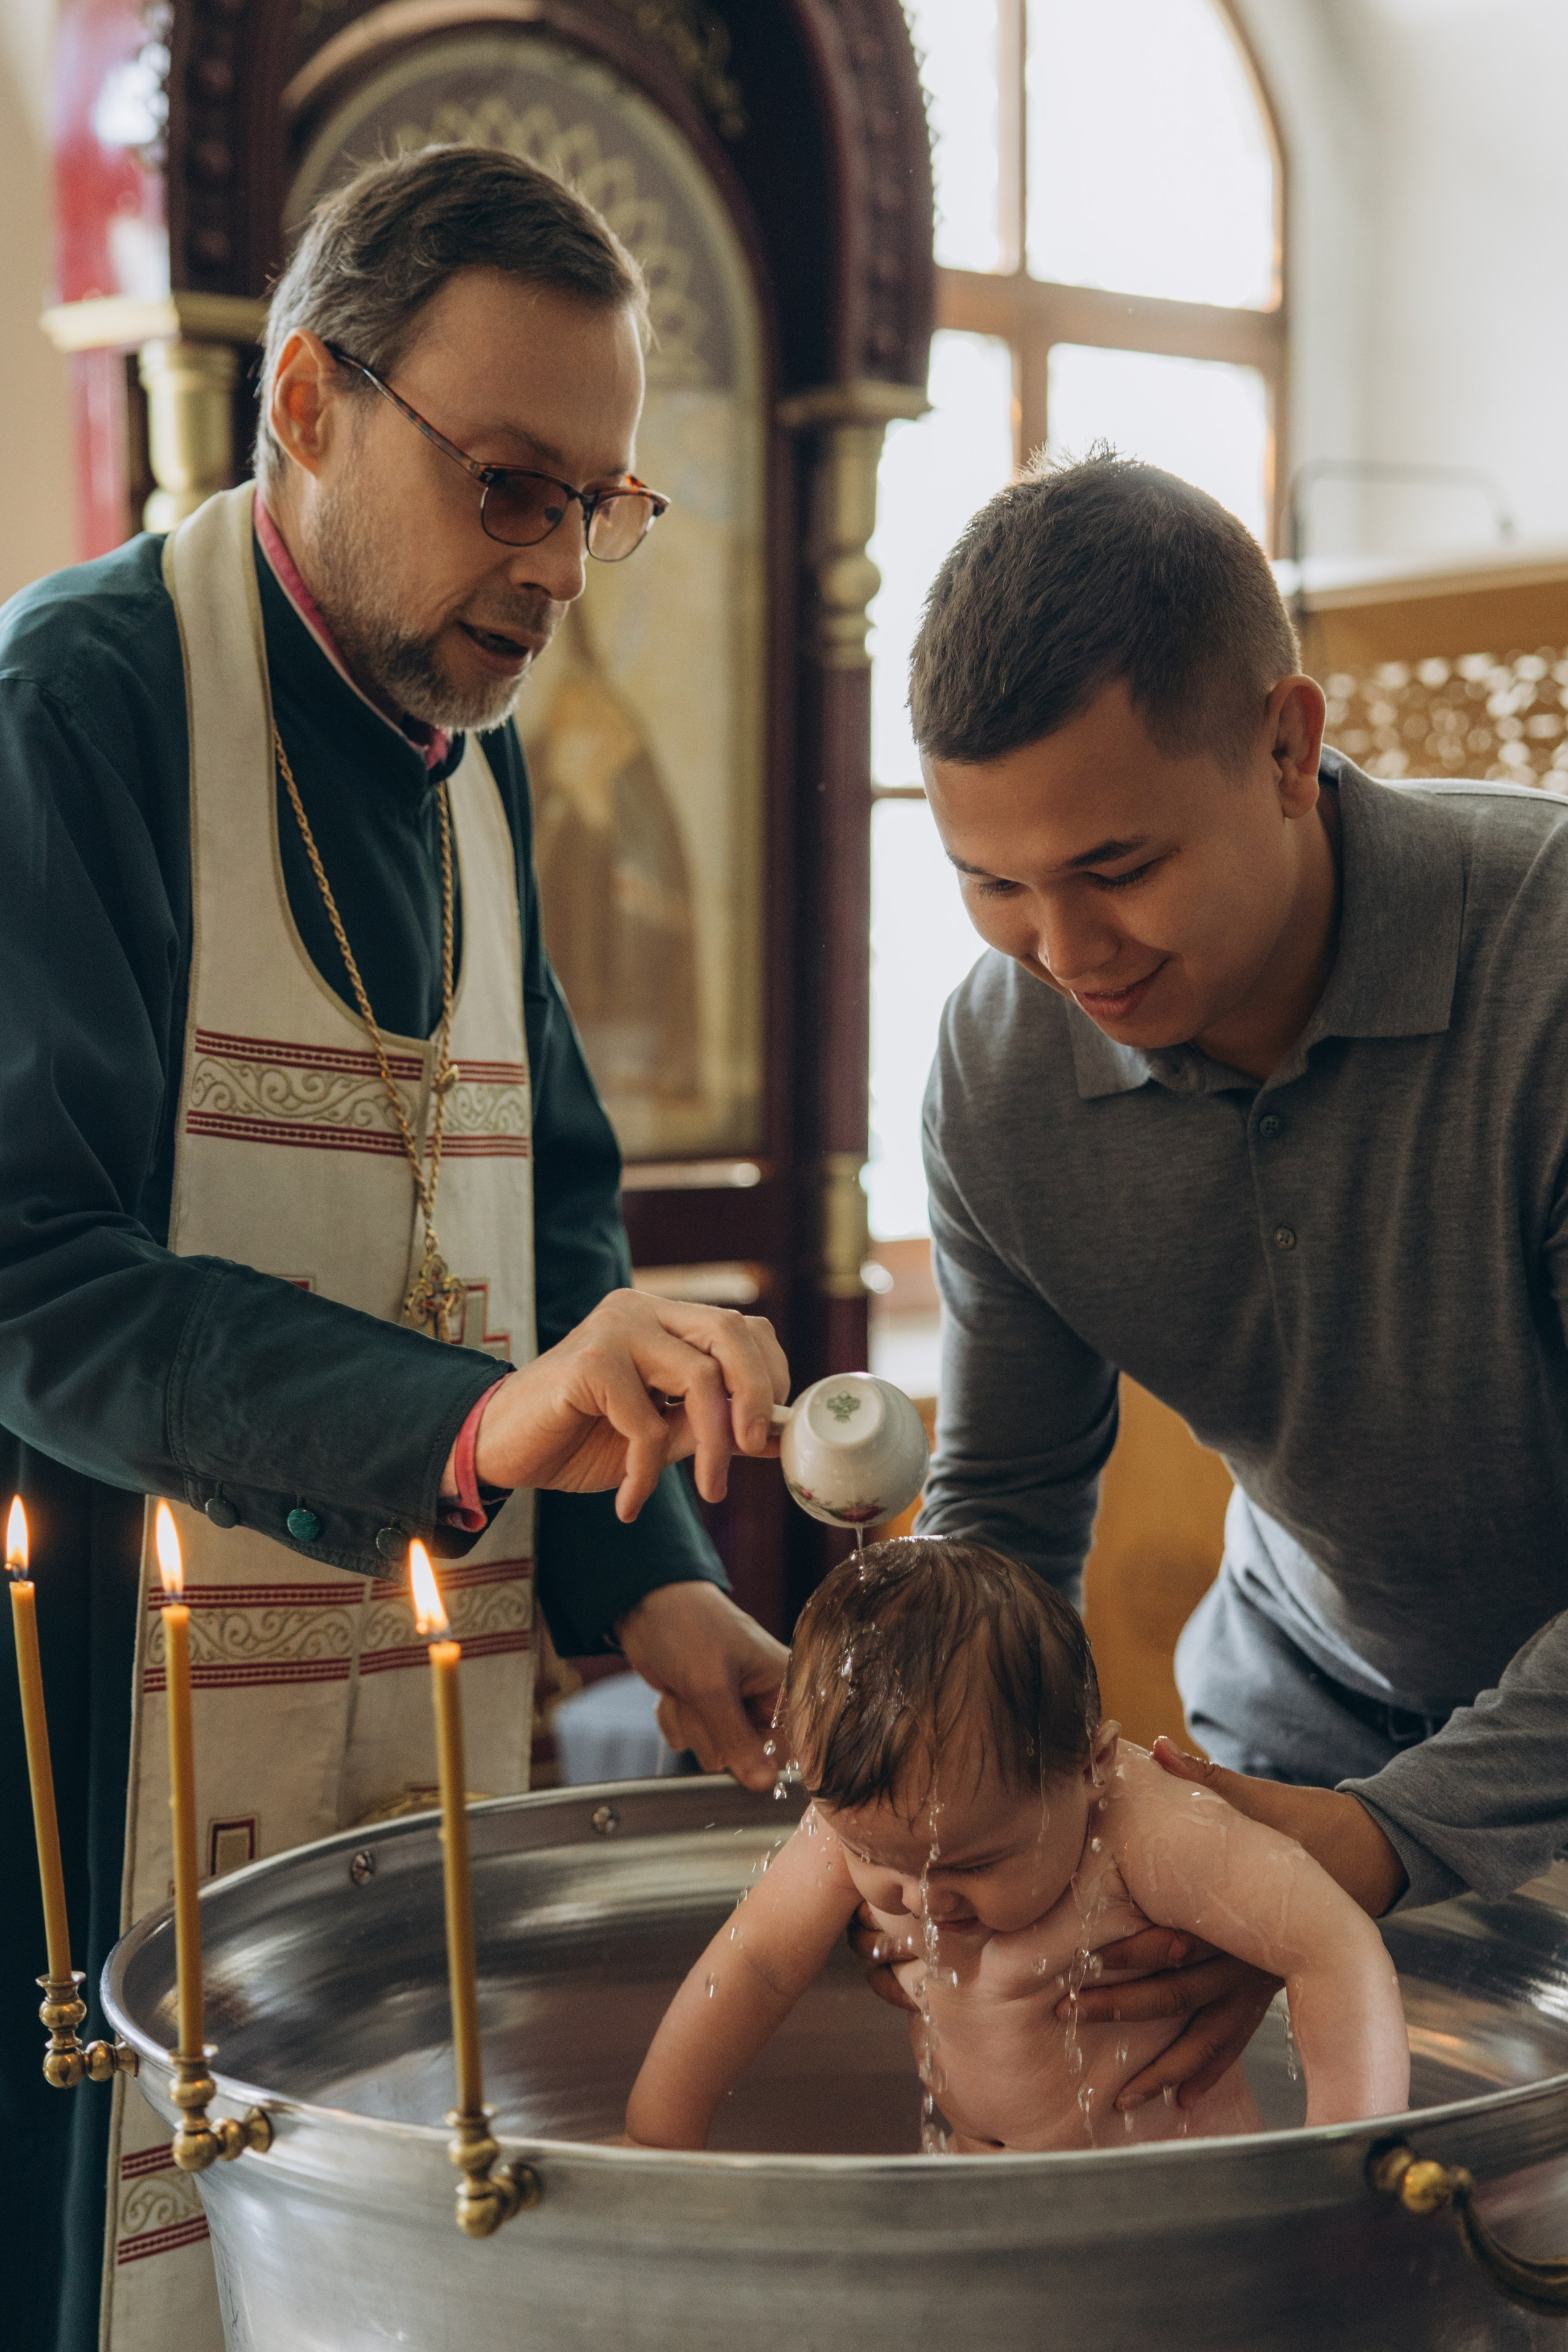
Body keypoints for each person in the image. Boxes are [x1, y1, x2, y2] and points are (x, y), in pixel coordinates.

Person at [0, 146, 790, 2351]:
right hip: (94, 1730)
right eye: (509, 486)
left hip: (401, 1722)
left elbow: (533, 1203)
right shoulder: (78, 711)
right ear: (314, 403)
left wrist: (654, 1594)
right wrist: (470, 1426)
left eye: (593, 509)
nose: (551, 572)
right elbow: (30, 1282)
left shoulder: (463, 745)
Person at [854, 448, 1568, 2116]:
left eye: (1116, 867)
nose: (1066, 954)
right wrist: (932, 1768)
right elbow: (1007, 1505)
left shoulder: (1551, 975)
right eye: (993, 885)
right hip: (1293, 1728)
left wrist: (1395, 1841)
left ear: (1287, 748)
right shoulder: (1000, 1063)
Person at [627, 1540, 1408, 2153]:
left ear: (1090, 1768)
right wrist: (655, 2139)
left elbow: (1332, 1942)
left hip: (1165, 2202)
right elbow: (753, 1962)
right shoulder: (868, 1812)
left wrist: (1346, 2158)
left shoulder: (1147, 1829)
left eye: (974, 1864)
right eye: (883, 1864)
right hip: (976, 2183)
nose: (922, 1899)